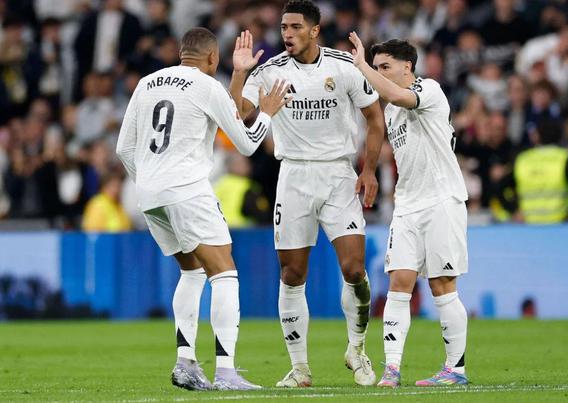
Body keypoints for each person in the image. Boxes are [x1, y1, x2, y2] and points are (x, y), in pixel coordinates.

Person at [116, 27, 289, 391]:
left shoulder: (146, 83)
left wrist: (149, 181)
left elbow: (123, 149)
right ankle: (226, 373)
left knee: (192, 272)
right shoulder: (208, 86)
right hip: (186, 189)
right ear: (212, 58)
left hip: (149, 193)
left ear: (183, 53)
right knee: (224, 273)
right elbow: (247, 144)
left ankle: (186, 364)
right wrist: (267, 113)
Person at [228, 0, 385, 387]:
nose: (287, 34)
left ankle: (357, 350)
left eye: (295, 27)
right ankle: (299, 368)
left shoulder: (344, 66)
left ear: (315, 30)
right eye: (284, 27)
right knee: (292, 273)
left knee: (354, 269)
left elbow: (374, 117)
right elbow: (240, 112)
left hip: (338, 175)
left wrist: (368, 169)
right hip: (294, 175)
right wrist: (238, 73)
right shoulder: (269, 71)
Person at [349, 33, 470, 387]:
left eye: (385, 66)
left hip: (441, 200)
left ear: (408, 66)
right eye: (376, 67)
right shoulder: (391, 112)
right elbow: (389, 100)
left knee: (442, 283)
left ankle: (455, 369)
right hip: (407, 205)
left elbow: (398, 95)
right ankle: (392, 368)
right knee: (398, 283)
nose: (379, 72)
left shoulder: (429, 90)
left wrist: (361, 67)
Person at [494, 119, 568, 224]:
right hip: (559, 224)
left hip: (529, 225)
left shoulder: (522, 160)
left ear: (537, 136)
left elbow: (500, 187)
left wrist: (513, 210)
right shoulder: (565, 159)